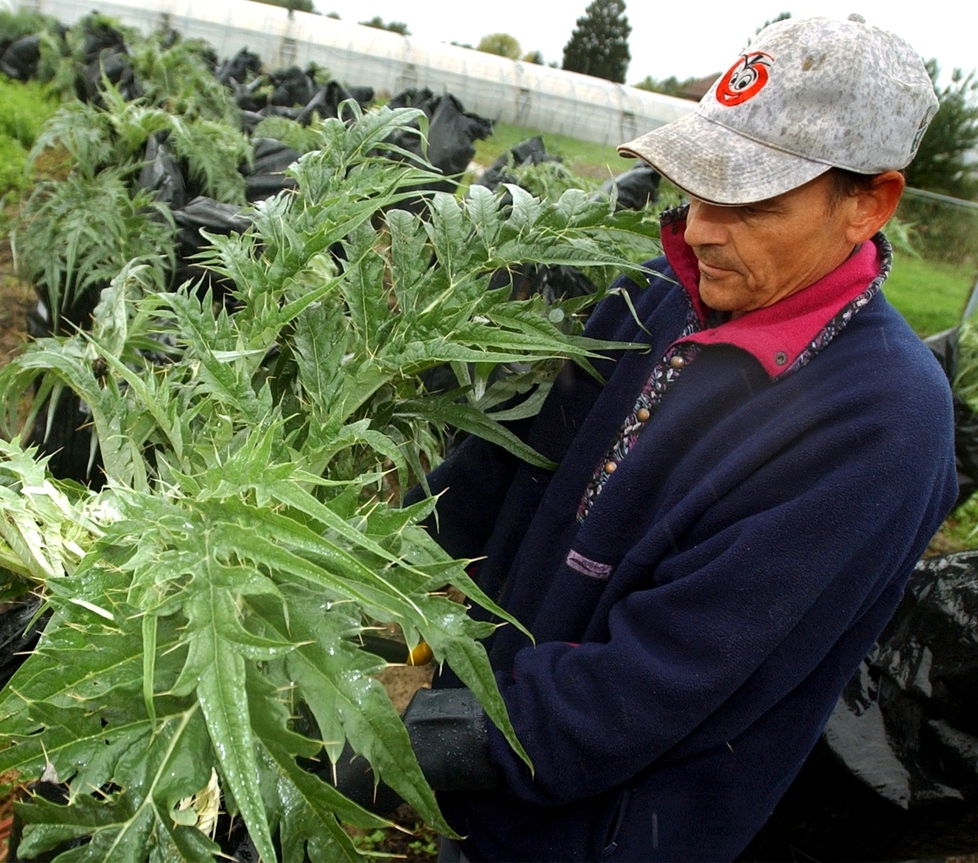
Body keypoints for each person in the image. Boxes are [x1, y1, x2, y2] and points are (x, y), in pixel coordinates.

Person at [368, 15, 959, 863]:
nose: (703, 228)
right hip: (492, 768)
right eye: (699, 183)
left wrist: (412, 737)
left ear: (869, 203)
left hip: (601, 831)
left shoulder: (884, 422)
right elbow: (506, 469)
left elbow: (649, 685)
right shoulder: (659, 295)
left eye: (752, 200)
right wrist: (367, 578)